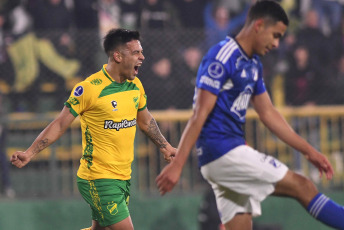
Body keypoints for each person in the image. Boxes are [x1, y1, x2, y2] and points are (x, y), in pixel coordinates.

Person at [156, 1, 344, 230]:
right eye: (275, 35)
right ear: (259, 25)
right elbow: (199, 114)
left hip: (222, 158)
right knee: (303, 186)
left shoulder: (253, 64)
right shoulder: (222, 56)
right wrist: (177, 164)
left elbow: (268, 113)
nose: (276, 44)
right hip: (224, 151)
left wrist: (308, 150)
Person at [11, 28, 176, 230]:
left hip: (123, 177)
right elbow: (60, 124)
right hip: (98, 178)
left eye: (141, 52)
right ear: (117, 56)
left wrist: (165, 146)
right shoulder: (90, 88)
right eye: (136, 53)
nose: (142, 57)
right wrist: (30, 152)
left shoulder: (136, 86)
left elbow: (145, 120)